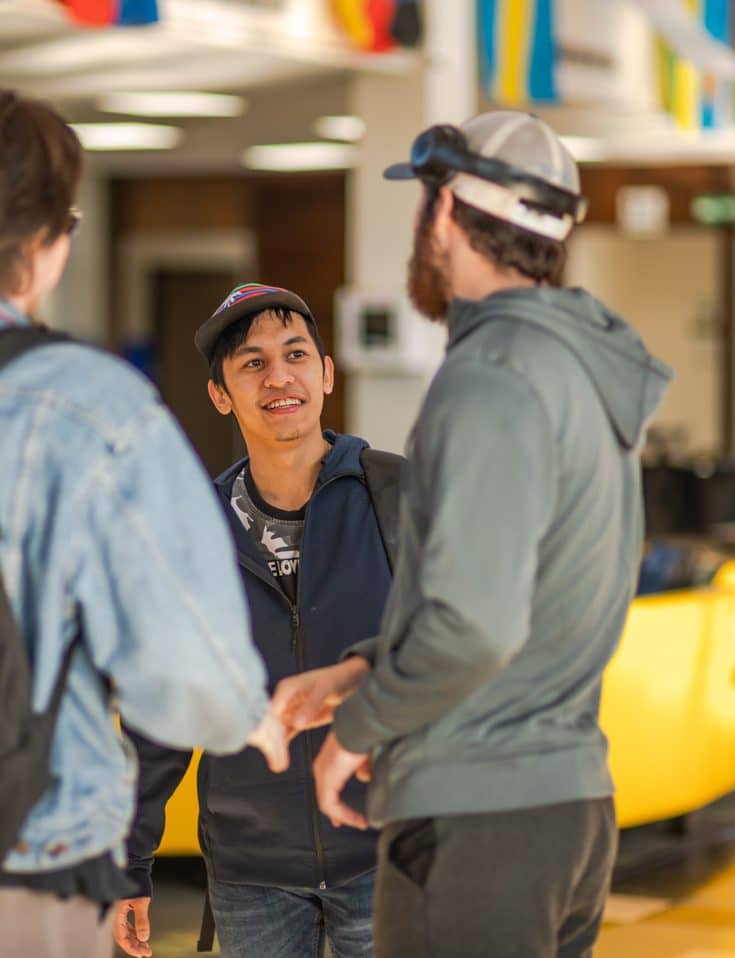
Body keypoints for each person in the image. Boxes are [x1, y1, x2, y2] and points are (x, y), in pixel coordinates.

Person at [273, 111, 673, 957]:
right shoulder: (578, 370)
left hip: (475, 819)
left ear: (444, 213)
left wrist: (358, 729)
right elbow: (522, 599)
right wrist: (361, 672)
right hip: (564, 809)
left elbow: (474, 626)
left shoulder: (489, 378)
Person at [0, 91, 285, 958]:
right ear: (48, 239)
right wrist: (249, 713)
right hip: (31, 845)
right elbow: (181, 662)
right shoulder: (87, 407)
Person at [115, 284, 402, 958]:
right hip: (251, 874)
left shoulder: (401, 495)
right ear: (221, 394)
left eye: (295, 354)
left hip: (389, 851)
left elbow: (452, 650)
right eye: (251, 364)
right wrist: (126, 862)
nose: (279, 377)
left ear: (326, 374)